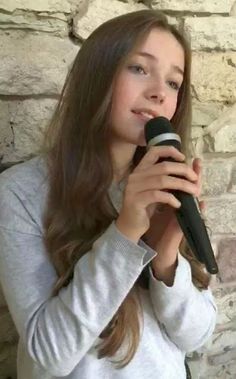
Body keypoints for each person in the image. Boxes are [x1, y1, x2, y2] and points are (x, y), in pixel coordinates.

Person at [0, 9, 217, 379]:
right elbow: (48, 355)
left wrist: (166, 256)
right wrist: (126, 232)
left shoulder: (167, 184)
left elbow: (197, 338)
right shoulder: (20, 192)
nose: (159, 93)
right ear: (96, 75)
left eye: (174, 83)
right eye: (138, 68)